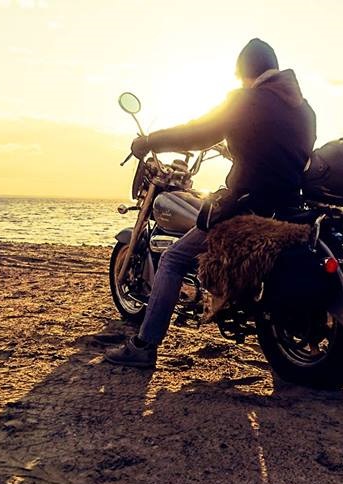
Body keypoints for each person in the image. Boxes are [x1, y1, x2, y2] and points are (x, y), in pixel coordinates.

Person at [103, 38, 317, 368]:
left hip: (247, 205)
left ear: (245, 73)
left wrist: (149, 141)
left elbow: (200, 132)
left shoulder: (246, 99)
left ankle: (144, 346)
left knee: (173, 259)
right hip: (289, 206)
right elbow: (276, 150)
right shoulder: (304, 109)